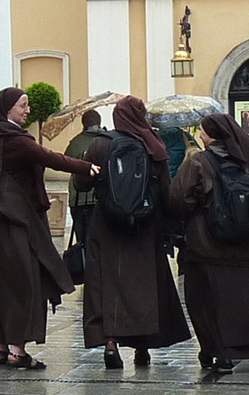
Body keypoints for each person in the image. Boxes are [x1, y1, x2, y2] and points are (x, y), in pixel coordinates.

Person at [0, 87, 98, 370]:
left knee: (5, 284)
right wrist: (88, 168)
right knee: (26, 283)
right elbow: (50, 157)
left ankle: (0, 347)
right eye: (23, 105)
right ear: (8, 108)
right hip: (17, 221)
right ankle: (18, 351)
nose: (28, 110)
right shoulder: (15, 141)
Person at [76, 97, 192, 369]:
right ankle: (142, 349)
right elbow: (166, 192)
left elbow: (82, 183)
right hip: (144, 227)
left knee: (106, 285)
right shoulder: (153, 145)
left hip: (106, 225)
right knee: (144, 288)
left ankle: (110, 343)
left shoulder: (100, 144)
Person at [169, 113, 249, 373]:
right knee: (237, 299)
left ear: (213, 135)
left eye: (204, 132)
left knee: (203, 301)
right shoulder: (248, 160)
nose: (201, 136)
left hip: (206, 244)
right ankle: (239, 348)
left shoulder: (199, 161)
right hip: (243, 244)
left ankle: (217, 351)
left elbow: (178, 199)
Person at [63, 109, 110, 240]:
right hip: (101, 197)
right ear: (99, 122)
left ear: (83, 123)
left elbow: (66, 163)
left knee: (82, 240)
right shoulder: (107, 140)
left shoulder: (75, 143)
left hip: (78, 198)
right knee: (100, 239)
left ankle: (83, 260)